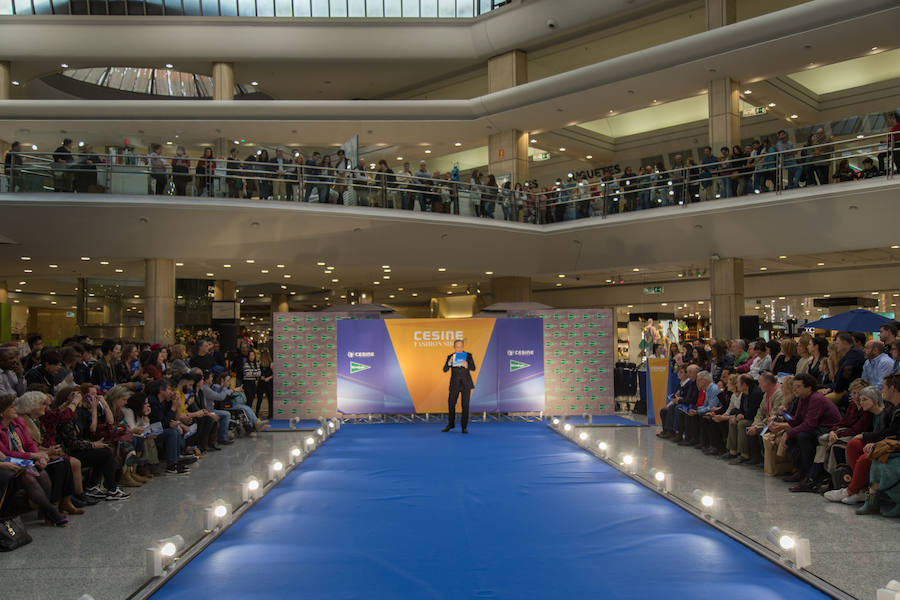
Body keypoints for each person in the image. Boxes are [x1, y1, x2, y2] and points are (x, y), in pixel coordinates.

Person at [779, 373, 842, 483]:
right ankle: (801, 470)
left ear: (809, 387)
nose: (795, 390)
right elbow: (797, 421)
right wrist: (784, 413)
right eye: (794, 387)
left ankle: (809, 473)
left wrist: (788, 433)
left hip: (828, 429)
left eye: (798, 387)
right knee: (793, 436)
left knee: (802, 436)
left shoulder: (816, 399)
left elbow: (809, 424)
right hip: (816, 428)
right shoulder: (802, 399)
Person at [441, 340, 476, 434]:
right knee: (451, 404)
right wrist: (449, 362)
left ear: (463, 347)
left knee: (465, 406)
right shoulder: (450, 356)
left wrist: (467, 365)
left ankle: (464, 427)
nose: (459, 349)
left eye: (461, 347)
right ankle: (451, 424)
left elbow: (473, 367)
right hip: (454, 384)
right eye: (457, 347)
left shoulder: (468, 355)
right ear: (454, 347)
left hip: (466, 384)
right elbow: (445, 369)